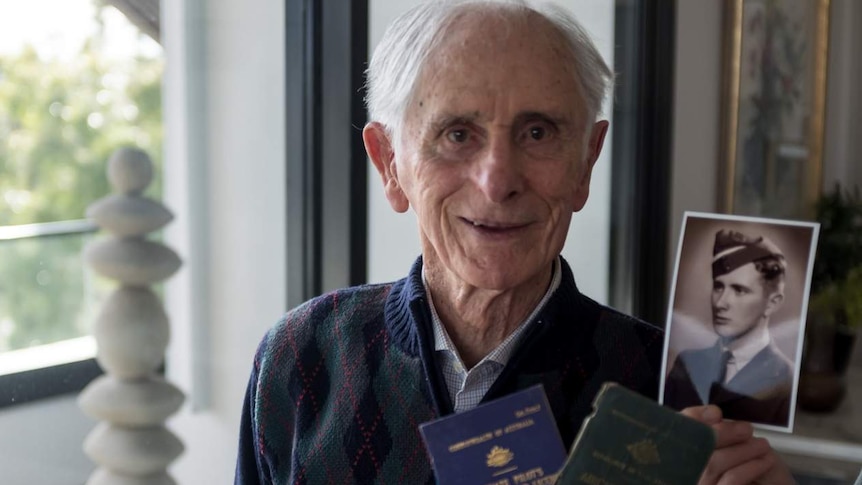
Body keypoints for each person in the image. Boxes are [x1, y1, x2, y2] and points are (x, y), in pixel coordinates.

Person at [235, 2, 794, 483]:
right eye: (457, 134)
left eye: (537, 133)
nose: (498, 180)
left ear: (587, 162)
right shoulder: (302, 356)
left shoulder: (671, 400)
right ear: (389, 164)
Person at [664, 229, 794, 427]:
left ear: (772, 303)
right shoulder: (687, 363)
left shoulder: (787, 380)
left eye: (739, 290)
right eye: (718, 287)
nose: (721, 302)